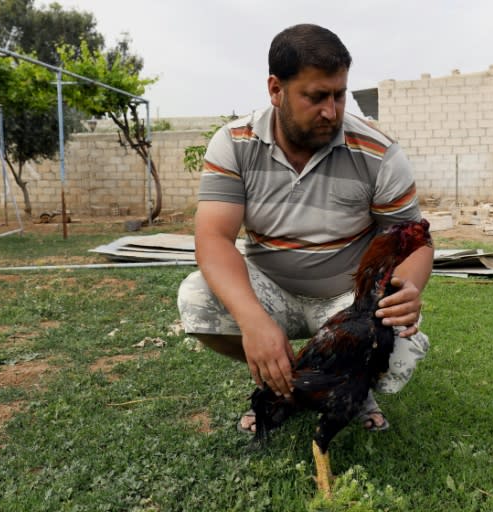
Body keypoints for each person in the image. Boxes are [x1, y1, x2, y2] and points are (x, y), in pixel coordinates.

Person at [177, 23, 433, 434]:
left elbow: (413, 238)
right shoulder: (234, 144)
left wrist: (403, 290)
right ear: (275, 90)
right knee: (197, 300)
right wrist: (254, 322)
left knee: (398, 356)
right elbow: (213, 238)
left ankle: (347, 386)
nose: (331, 111)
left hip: (349, 300)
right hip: (271, 291)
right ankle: (288, 382)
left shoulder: (378, 153)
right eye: (316, 97)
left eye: (339, 94)